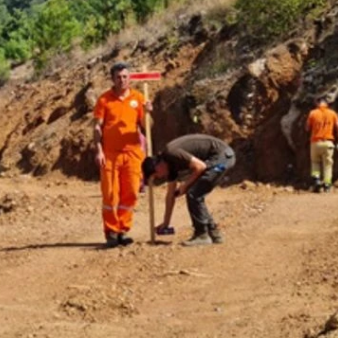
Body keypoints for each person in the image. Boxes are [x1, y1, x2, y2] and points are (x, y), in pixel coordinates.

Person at [141, 134, 236, 246]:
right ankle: (213, 232)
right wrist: (166, 223)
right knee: (196, 193)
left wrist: (185, 186)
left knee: (193, 194)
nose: (160, 177)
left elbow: (200, 167)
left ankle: (202, 234)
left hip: (222, 157)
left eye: (156, 175)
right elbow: (170, 196)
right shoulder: (170, 167)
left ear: (158, 166)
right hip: (216, 159)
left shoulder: (171, 152)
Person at [93, 62, 148, 248]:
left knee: (131, 192)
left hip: (133, 154)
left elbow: (147, 126)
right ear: (112, 79)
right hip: (110, 154)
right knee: (110, 194)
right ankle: (111, 232)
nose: (122, 80)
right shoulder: (104, 100)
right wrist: (98, 150)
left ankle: (123, 229)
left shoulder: (139, 98)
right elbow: (97, 127)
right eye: (118, 77)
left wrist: (148, 113)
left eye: (125, 76)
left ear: (129, 77)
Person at [306, 95, 338, 193]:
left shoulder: (313, 113)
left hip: (315, 143)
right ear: (326, 103)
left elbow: (307, 128)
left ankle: (316, 180)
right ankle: (327, 184)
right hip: (328, 143)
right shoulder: (332, 113)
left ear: (317, 103)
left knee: (315, 163)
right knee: (327, 165)